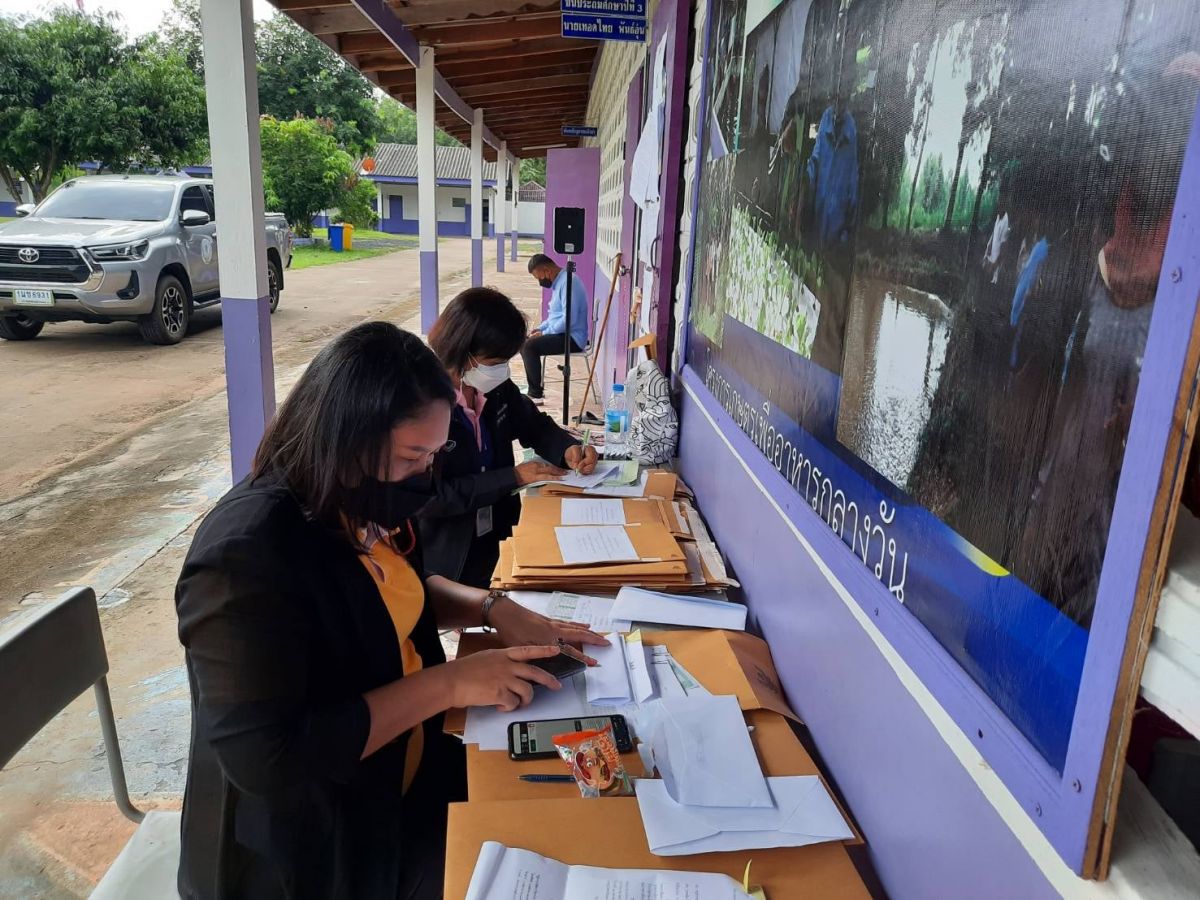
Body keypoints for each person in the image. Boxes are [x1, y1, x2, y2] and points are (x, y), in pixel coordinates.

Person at [175, 321, 607, 899]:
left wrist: (493, 607)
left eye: (434, 454)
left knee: (575, 811)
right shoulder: (245, 555)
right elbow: (268, 760)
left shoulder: (360, 502)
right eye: (412, 456)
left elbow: (391, 597)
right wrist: (449, 683)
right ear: (346, 438)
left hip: (406, 773)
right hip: (320, 849)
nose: (426, 475)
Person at [423, 287, 600, 587]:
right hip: (450, 553)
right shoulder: (422, 405)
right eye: (494, 363)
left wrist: (568, 448)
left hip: (501, 532)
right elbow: (430, 497)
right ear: (464, 352)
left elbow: (533, 424)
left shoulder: (496, 388)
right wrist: (513, 477)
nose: (502, 371)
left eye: (506, 361)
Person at [522, 253, 590, 401]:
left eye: (539, 277)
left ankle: (535, 394)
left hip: (573, 338)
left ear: (547, 270)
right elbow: (555, 316)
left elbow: (569, 320)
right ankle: (535, 389)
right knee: (525, 341)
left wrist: (545, 333)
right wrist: (541, 329)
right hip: (563, 333)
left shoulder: (569, 283)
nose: (540, 281)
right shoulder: (559, 282)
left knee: (529, 347)